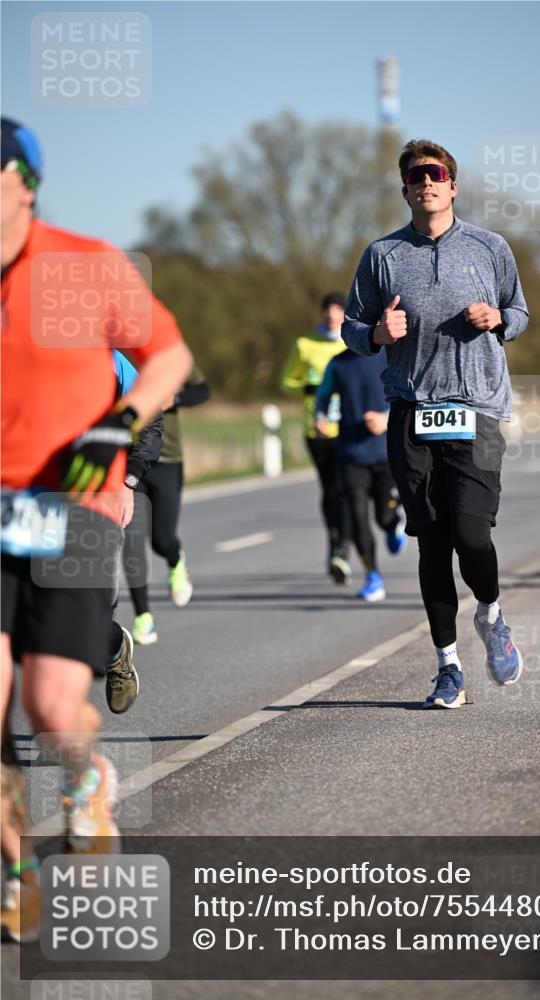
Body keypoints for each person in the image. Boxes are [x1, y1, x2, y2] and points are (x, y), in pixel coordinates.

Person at [0, 117, 192, 940]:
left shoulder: (80, 265)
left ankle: (88, 781)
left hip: (70, 505)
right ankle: (16, 869)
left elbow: (169, 354)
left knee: (50, 706)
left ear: (26, 184)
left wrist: (122, 421)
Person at [342, 138, 527, 709]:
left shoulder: (490, 247)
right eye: (416, 175)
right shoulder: (382, 256)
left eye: (436, 173)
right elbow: (351, 327)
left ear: (452, 185)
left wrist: (499, 318)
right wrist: (376, 334)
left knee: (472, 534)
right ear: (405, 190)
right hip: (411, 411)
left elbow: (520, 312)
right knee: (432, 543)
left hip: (479, 409)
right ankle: (448, 669)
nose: (427, 182)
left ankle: (492, 616)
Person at [122, 361, 209, 644]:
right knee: (132, 540)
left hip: (167, 459)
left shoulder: (168, 350)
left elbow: (202, 390)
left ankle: (175, 560)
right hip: (127, 463)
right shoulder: (116, 356)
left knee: (162, 539)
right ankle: (142, 616)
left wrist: (176, 398)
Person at [315, 348, 407, 602]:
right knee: (357, 517)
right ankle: (373, 576)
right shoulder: (338, 363)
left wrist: (386, 419)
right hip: (350, 455)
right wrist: (321, 418)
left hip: (386, 453)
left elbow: (411, 397)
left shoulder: (392, 356)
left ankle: (393, 523)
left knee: (382, 515)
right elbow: (323, 398)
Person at [104, 350, 164, 711]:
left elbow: (151, 420)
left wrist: (127, 482)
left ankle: (112, 648)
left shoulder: (107, 358)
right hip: (22, 508)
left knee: (82, 620)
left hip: (96, 501)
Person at [281, 293, 352, 584]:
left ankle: (344, 549)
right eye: (327, 310)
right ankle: (337, 547)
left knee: (349, 489)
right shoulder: (305, 344)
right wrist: (309, 386)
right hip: (317, 429)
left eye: (337, 310)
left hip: (350, 428)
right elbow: (286, 381)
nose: (332, 315)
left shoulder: (354, 342)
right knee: (331, 490)